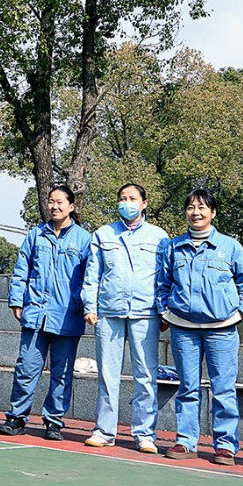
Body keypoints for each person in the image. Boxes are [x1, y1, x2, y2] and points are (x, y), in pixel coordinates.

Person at [157, 188, 243, 465]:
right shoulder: (173, 247)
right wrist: (165, 311)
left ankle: (225, 445)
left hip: (222, 329)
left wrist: (240, 313)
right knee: (187, 387)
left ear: (213, 212)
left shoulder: (230, 246)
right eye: (191, 207)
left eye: (202, 207)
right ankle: (185, 441)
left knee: (223, 389)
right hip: (183, 328)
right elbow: (162, 285)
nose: (196, 212)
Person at [81, 184, 169, 453]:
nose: (127, 203)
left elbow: (165, 277)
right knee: (108, 375)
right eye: (122, 198)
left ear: (144, 203)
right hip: (109, 312)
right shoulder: (103, 234)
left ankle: (144, 434)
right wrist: (90, 305)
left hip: (146, 313)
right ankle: (104, 431)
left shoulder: (159, 236)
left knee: (146, 375)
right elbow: (92, 274)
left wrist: (164, 311)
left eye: (132, 198)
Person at [0, 186, 91, 441]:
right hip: (35, 314)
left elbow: (89, 277)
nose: (54, 206)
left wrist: (80, 302)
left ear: (71, 206)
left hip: (67, 317)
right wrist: (17, 300)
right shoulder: (35, 235)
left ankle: (54, 422)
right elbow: (22, 270)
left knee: (62, 373)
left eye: (60, 202)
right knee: (26, 368)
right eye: (51, 201)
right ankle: (16, 418)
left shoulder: (84, 239)